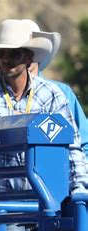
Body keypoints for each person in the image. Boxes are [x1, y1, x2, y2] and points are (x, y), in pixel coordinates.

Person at [0, 18, 87, 209]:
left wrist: (80, 190)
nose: (6, 59)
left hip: (47, 202)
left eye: (14, 54)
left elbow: (73, 147)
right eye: (0, 53)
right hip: (3, 205)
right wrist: (18, 121)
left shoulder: (51, 94)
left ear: (29, 58)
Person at [24, 19, 88, 163]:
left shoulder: (62, 92)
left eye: (29, 52)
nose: (24, 58)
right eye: (16, 53)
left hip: (56, 176)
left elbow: (84, 143)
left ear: (39, 53)